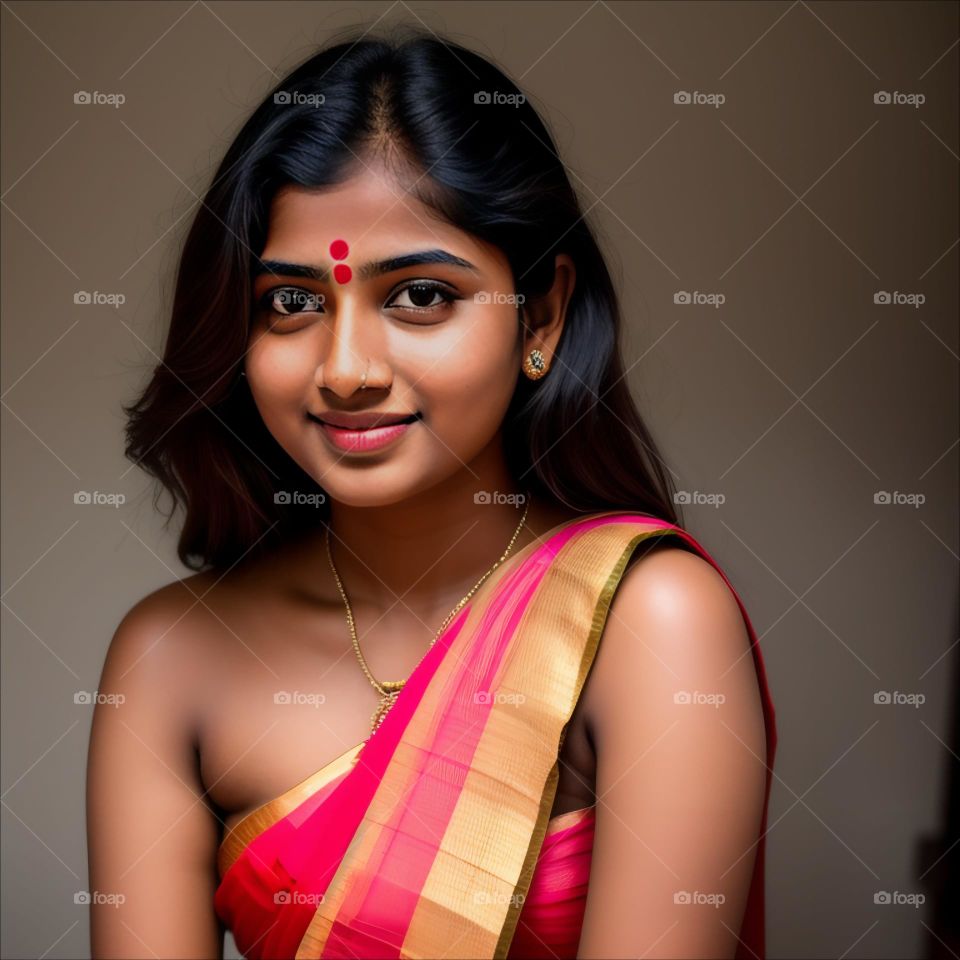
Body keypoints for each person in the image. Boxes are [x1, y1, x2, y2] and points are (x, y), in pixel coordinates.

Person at [87, 26, 776, 960]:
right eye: (292, 303)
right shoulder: (173, 657)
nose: (346, 370)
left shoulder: (651, 622)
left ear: (540, 315)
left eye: (418, 296)